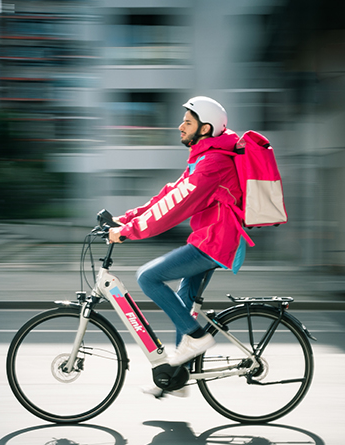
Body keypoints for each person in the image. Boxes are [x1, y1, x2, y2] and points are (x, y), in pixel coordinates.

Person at [108, 96, 253, 397]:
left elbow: (176, 206)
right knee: (183, 304)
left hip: (214, 244)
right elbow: (169, 194)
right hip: (209, 239)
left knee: (148, 277)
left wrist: (129, 233)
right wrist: (124, 219)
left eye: (187, 122)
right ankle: (177, 378)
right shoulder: (205, 156)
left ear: (205, 128)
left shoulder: (213, 162)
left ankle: (197, 339)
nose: (180, 126)